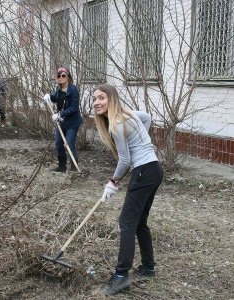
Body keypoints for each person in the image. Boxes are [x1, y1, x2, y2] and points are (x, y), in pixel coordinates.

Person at [92, 83, 163, 296]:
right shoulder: (128, 115)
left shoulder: (117, 123)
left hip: (143, 171)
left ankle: (121, 275)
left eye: (101, 98)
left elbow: (125, 159)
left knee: (126, 222)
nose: (97, 102)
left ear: (112, 99)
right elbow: (147, 118)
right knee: (139, 221)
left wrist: (113, 181)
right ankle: (148, 267)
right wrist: (141, 140)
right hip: (154, 169)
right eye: (94, 99)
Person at [43, 67, 83, 172]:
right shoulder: (59, 89)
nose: (61, 77)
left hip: (72, 121)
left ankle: (74, 168)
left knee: (69, 144)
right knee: (58, 143)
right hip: (61, 121)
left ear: (68, 77)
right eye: (59, 76)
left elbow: (74, 108)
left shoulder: (73, 89)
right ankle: (62, 167)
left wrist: (60, 114)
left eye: (63, 75)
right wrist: (49, 97)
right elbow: (56, 98)